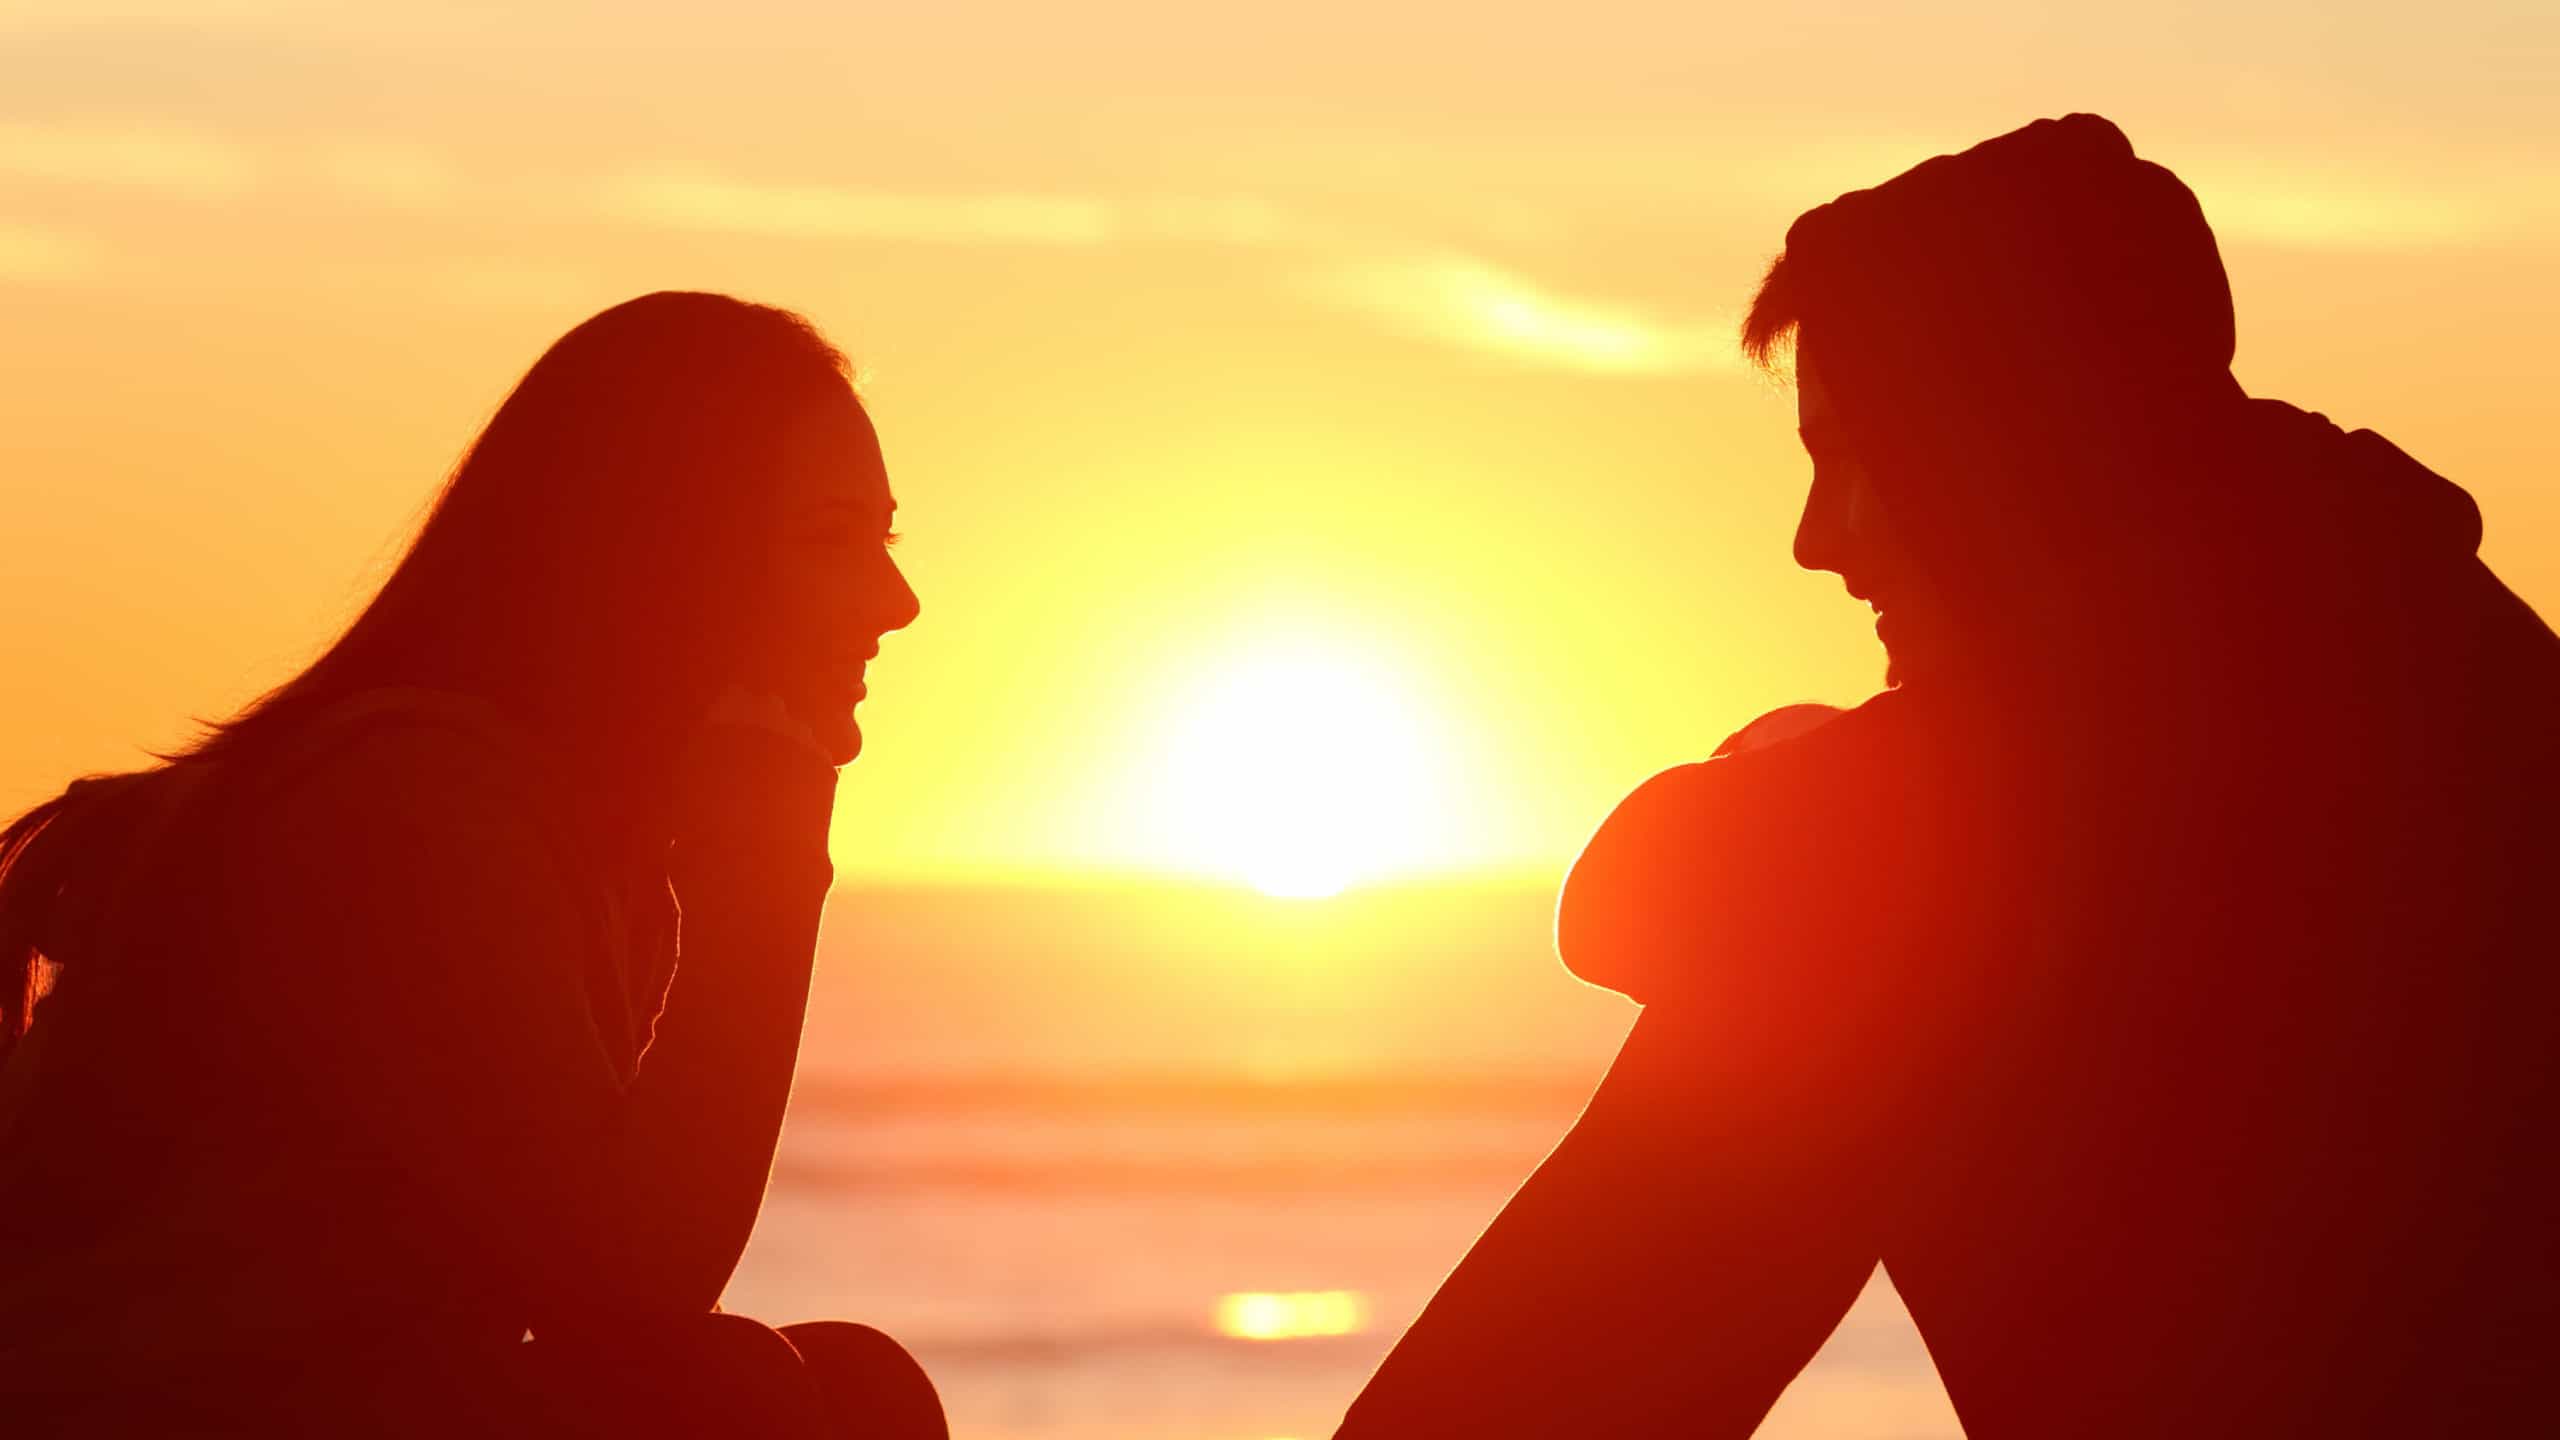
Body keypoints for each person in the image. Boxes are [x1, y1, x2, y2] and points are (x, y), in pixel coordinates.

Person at [1336, 115, 2559, 1437]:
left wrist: (1827, 791)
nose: (1816, 541)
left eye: (1847, 455)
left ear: (1988, 448)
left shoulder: (1982, 819)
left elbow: (1628, 897)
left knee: (1814, 977)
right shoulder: (2456, 658)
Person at [0, 293, 941, 1437]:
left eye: (883, 537)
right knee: (742, 1396)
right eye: (832, 537)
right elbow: (634, 1287)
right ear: (670, 553)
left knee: (848, 1387)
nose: (894, 602)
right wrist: (770, 842)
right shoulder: (414, 806)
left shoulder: (577, 833)